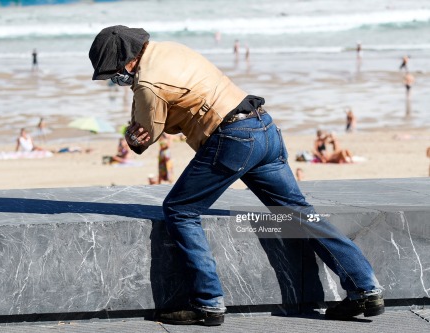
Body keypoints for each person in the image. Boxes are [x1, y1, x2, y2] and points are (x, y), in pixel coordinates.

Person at [89, 25, 384, 326]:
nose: (116, 81)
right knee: (299, 213)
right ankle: (365, 287)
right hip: (264, 126)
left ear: (126, 61)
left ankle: (208, 303)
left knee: (180, 210)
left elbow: (146, 134)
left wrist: (131, 135)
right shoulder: (171, 48)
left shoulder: (147, 84)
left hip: (232, 139)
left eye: (113, 74)